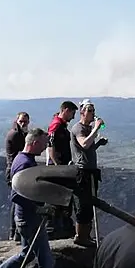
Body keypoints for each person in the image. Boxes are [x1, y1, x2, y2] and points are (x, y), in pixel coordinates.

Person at [0, 127, 78, 268]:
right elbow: (17, 196)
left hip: (25, 218)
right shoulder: (25, 164)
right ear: (33, 143)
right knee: (46, 263)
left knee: (26, 254)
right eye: (42, 143)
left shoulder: (23, 160)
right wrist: (39, 208)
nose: (45, 146)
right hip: (30, 220)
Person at [70, 100, 108, 246]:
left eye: (93, 110)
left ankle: (86, 235)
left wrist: (98, 143)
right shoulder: (78, 128)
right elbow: (84, 144)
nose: (93, 113)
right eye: (90, 110)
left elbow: (87, 149)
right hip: (82, 171)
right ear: (82, 112)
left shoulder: (86, 128)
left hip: (89, 170)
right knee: (83, 205)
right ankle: (81, 236)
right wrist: (96, 128)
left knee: (89, 204)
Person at [46, 101, 79, 239]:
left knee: (63, 198)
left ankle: (63, 226)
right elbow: (51, 145)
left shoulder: (61, 125)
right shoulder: (56, 125)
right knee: (58, 198)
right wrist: (57, 165)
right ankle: (55, 228)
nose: (73, 116)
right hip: (58, 168)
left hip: (62, 167)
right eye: (72, 113)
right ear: (65, 110)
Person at [5, 112, 30, 241]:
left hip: (16, 170)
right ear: (17, 120)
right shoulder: (16, 135)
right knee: (17, 201)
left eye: (25, 121)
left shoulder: (20, 133)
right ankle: (14, 232)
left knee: (18, 201)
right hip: (15, 171)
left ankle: (15, 232)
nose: (23, 123)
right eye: (21, 121)